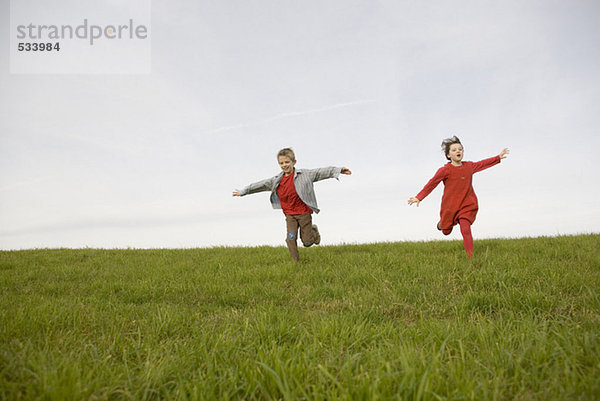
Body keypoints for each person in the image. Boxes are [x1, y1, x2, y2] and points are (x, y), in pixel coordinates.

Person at [233, 148, 351, 261]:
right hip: (290, 216)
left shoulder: (304, 175)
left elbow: (321, 172)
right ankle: (296, 263)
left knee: (307, 242)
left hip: (304, 213)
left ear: (294, 162)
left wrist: (339, 170)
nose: (284, 165)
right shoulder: (276, 180)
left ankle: (313, 231)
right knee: (291, 238)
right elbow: (260, 185)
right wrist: (243, 191)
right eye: (281, 163)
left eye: (287, 162)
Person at [408, 136, 509, 258]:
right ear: (448, 155)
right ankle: (441, 224)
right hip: (450, 206)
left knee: (465, 228)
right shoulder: (445, 170)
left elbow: (482, 164)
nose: (458, 151)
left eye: (460, 149)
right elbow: (432, 183)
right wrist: (419, 197)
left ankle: (470, 257)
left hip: (467, 204)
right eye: (454, 150)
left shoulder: (469, 166)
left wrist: (497, 157)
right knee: (446, 231)